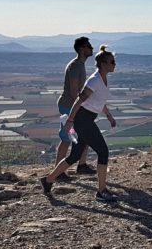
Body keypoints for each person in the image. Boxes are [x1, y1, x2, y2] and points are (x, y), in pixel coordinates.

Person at [41, 45, 119, 202]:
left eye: (114, 61)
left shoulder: (103, 79)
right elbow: (79, 100)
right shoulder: (95, 80)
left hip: (86, 119)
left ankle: (48, 180)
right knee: (103, 151)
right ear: (103, 64)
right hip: (82, 119)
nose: (114, 64)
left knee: (75, 155)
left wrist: (109, 117)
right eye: (112, 61)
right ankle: (101, 191)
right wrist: (71, 120)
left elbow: (99, 101)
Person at [55, 36, 95, 177]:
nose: (91, 48)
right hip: (69, 107)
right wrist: (79, 108)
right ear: (81, 49)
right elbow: (73, 91)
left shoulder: (79, 65)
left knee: (84, 135)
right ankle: (58, 172)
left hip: (72, 106)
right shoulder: (75, 66)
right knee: (66, 138)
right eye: (88, 46)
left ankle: (82, 165)